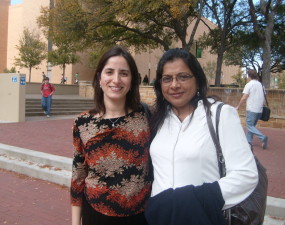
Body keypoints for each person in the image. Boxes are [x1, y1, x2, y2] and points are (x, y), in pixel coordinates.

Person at [145, 48, 258, 225]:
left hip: (202, 216)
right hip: (160, 216)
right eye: (167, 78)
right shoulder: (158, 118)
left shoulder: (220, 114)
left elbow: (246, 175)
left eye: (183, 76)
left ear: (197, 80)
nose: (174, 85)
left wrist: (194, 200)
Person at [70, 46, 152, 225]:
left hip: (140, 215)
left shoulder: (146, 117)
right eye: (109, 72)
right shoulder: (83, 123)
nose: (116, 80)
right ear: (99, 78)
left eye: (124, 73)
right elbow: (78, 176)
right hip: (95, 214)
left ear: (132, 81)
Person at [236, 69, 269, 149]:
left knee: (249, 125)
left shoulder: (249, 84)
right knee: (252, 126)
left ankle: (262, 137)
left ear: (249, 76)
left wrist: (238, 106)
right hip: (259, 110)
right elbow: (263, 97)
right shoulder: (261, 85)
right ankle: (248, 142)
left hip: (252, 109)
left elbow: (244, 97)